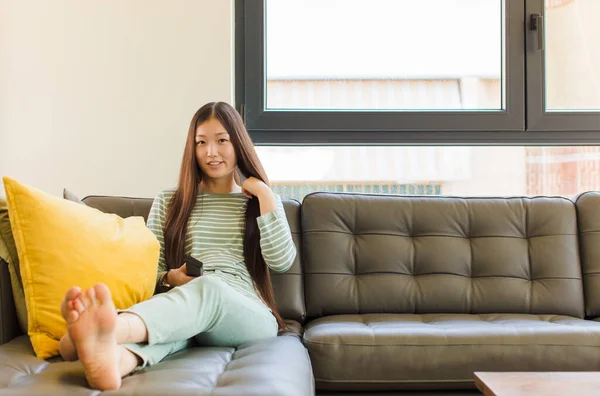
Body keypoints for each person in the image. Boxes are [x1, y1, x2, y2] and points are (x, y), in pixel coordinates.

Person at [57, 102, 296, 391]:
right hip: (191, 306)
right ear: (192, 149)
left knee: (210, 288)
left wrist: (264, 193)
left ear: (239, 144)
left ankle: (112, 329)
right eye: (201, 142)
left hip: (248, 315)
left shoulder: (260, 202)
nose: (211, 152)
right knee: (176, 325)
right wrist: (172, 278)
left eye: (222, 140)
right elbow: (148, 270)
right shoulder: (170, 201)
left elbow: (282, 262)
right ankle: (115, 360)